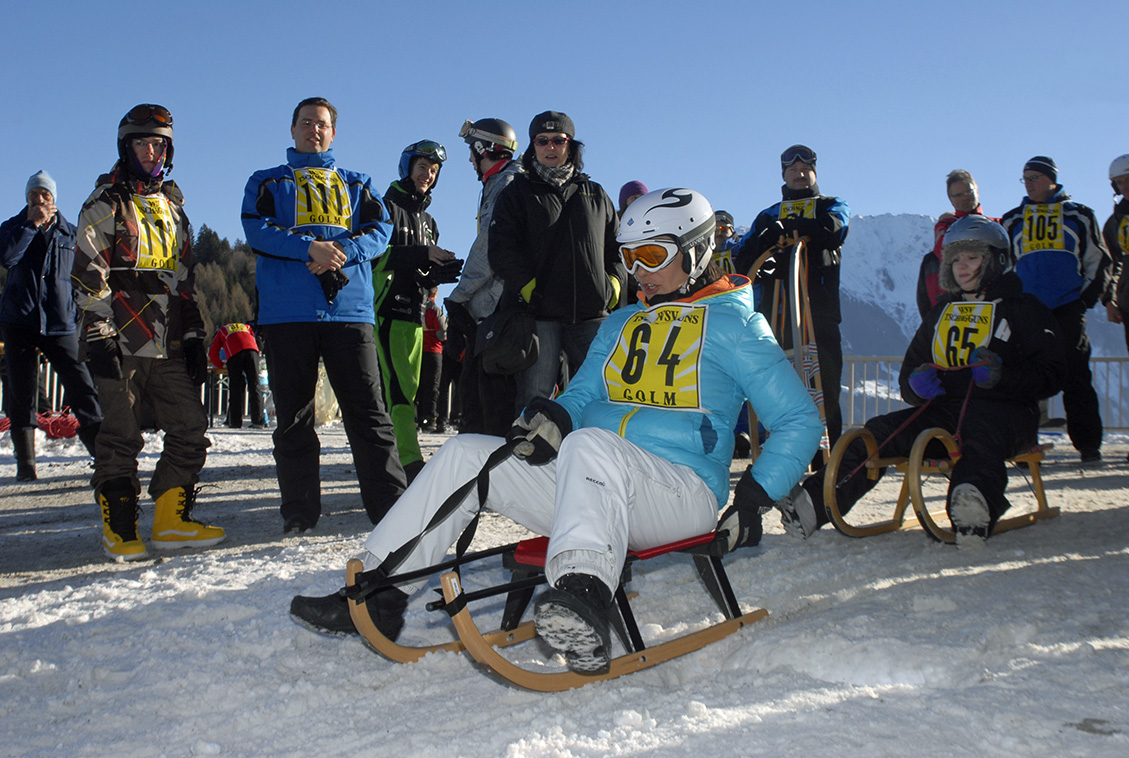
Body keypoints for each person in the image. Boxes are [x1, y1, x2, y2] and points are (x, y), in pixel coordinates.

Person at [290, 188, 823, 673]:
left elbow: (799, 420)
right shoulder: (621, 323)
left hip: (680, 494)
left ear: (697, 251)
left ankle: (584, 596)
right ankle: (378, 596)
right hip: (594, 483)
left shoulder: (735, 326)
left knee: (590, 445)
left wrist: (754, 497)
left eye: (653, 255)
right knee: (467, 454)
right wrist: (554, 417)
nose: (639, 271)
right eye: (629, 257)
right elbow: (582, 394)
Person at [777, 216, 1065, 548]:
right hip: (944, 413)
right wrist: (917, 384)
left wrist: (1004, 377)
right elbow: (909, 373)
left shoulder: (1023, 309)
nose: (961, 266)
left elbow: (1053, 373)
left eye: (972, 257)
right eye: (955, 259)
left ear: (995, 260)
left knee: (982, 438)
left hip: (1009, 414)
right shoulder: (942, 313)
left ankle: (972, 507)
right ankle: (813, 504)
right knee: (879, 432)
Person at [241, 97, 407, 533]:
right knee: (294, 419)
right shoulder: (266, 181)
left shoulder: (358, 183)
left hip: (350, 313)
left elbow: (381, 231)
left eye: (322, 124)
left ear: (333, 133)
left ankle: (392, 511)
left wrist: (340, 253)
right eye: (306, 122)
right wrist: (309, 248)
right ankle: (299, 513)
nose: (314, 129)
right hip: (287, 314)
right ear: (292, 129)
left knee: (369, 415)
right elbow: (256, 229)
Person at [73, 104, 224, 561]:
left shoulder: (174, 210)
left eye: (159, 145)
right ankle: (120, 525)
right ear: (126, 148)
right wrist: (98, 333)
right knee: (120, 433)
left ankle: (169, 521)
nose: (151, 152)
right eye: (142, 143)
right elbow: (88, 274)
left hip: (168, 342)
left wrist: (194, 335)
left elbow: (185, 282)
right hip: (118, 339)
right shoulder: (105, 203)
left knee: (191, 427)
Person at [488, 111, 624, 413]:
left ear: (570, 145)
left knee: (603, 392)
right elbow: (501, 249)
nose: (550, 147)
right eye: (542, 140)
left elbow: (618, 248)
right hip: (539, 315)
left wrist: (613, 286)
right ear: (533, 146)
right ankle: (528, 444)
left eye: (558, 140)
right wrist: (529, 288)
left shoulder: (596, 193)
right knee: (536, 395)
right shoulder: (516, 193)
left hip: (591, 314)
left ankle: (594, 445)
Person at [731, 144, 850, 452]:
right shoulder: (768, 215)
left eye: (806, 169)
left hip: (819, 311)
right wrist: (767, 240)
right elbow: (743, 257)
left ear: (815, 172)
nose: (800, 174)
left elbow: (833, 230)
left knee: (824, 385)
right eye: (793, 169)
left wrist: (793, 227)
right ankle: (782, 453)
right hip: (778, 311)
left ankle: (828, 459)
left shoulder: (831, 205)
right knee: (780, 388)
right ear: (783, 175)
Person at [1000, 156, 1112, 465]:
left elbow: (1098, 260)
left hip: (1067, 308)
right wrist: (1012, 303)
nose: (1029, 183)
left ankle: (1088, 446)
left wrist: (1083, 301)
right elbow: (1004, 265)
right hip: (1027, 312)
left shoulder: (1079, 215)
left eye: (1034, 177)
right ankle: (1024, 446)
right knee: (1025, 380)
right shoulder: (1012, 220)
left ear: (1052, 179)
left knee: (1077, 375)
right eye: (1025, 178)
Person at [1, 170, 102, 481]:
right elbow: (7, 257)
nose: (40, 199)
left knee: (82, 386)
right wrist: (31, 226)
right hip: (20, 320)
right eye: (34, 194)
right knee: (21, 392)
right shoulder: (12, 227)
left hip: (60, 322)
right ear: (27, 198)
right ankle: (26, 464)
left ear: (54, 198)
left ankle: (102, 456)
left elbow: (85, 277)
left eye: (45, 194)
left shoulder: (71, 233)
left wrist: (83, 315)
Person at [372, 141, 462, 480]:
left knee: (408, 390)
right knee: (397, 391)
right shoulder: (384, 207)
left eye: (434, 170)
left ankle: (398, 459)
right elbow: (372, 257)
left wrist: (435, 274)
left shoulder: (429, 222)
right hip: (385, 309)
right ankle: (408, 463)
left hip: (414, 314)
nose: (428, 175)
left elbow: (417, 271)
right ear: (407, 167)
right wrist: (422, 254)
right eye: (422, 167)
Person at [444, 118, 522, 436]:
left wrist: (458, 297)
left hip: (499, 312)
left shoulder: (506, 184)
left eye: (471, 151)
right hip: (498, 308)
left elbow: (490, 248)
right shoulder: (500, 183)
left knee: (486, 405)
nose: (469, 160)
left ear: (483, 148)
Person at [917, 170, 995, 320]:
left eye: (968, 192)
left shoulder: (997, 224)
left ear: (977, 191)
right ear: (950, 199)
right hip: (954, 309)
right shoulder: (946, 227)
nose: (965, 197)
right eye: (958, 195)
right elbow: (946, 254)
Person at [207, 322, 264, 429]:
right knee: (255, 386)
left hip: (235, 353)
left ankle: (235, 421)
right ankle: (259, 421)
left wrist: (221, 365)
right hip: (252, 351)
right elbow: (257, 341)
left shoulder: (222, 331)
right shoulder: (246, 327)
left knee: (235, 388)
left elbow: (213, 352)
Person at [1103, 154, 1129, 354]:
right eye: (1119, 182)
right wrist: (1109, 300)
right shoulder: (1115, 223)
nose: (1125, 186)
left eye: (1128, 180)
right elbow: (1111, 263)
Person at [416, 289, 446, 432]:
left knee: (417, 385)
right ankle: (429, 418)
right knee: (432, 386)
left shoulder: (418, 307)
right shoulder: (435, 309)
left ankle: (414, 417)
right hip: (433, 351)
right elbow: (442, 334)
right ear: (435, 294)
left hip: (417, 350)